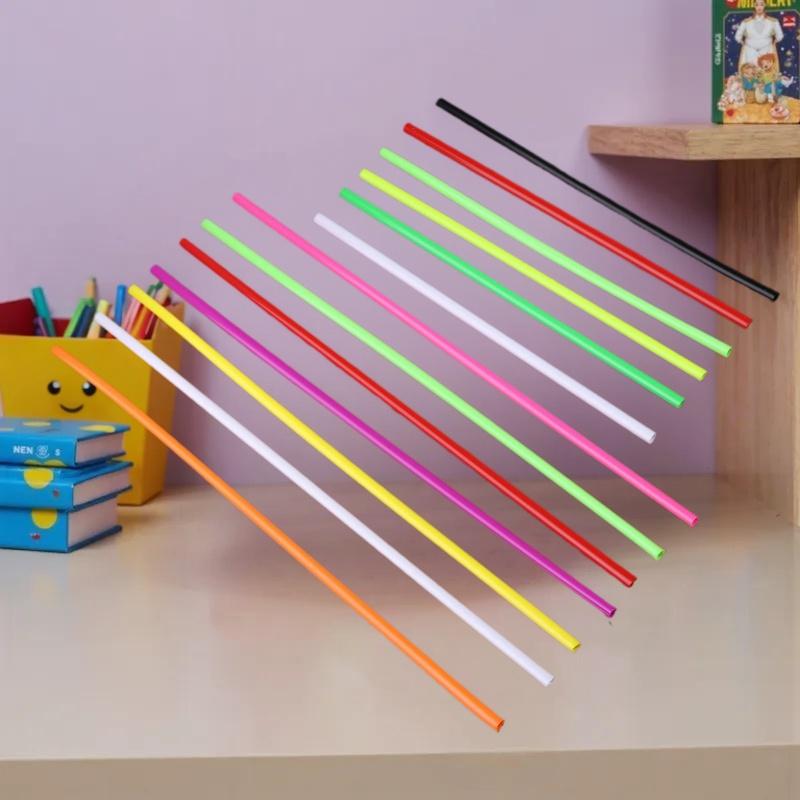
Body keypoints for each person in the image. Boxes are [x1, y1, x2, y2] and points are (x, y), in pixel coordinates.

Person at [736, 0, 784, 69]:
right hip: (750, 51)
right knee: (750, 72)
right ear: (754, 6)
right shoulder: (746, 22)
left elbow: (780, 36)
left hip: (767, 51)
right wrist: (744, 45)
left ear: (765, 5)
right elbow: (737, 37)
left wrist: (773, 43)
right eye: (757, 5)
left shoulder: (773, 21)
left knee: (766, 72)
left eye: (761, 4)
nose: (759, 7)